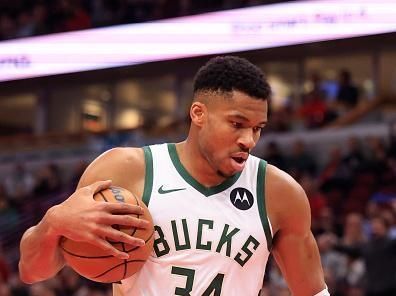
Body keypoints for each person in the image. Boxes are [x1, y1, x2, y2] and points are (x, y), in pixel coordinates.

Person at [19, 56, 328, 296]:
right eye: (237, 124)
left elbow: (314, 292)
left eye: (257, 128)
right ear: (198, 114)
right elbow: (33, 271)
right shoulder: (126, 172)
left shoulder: (278, 192)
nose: (248, 139)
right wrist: (52, 223)